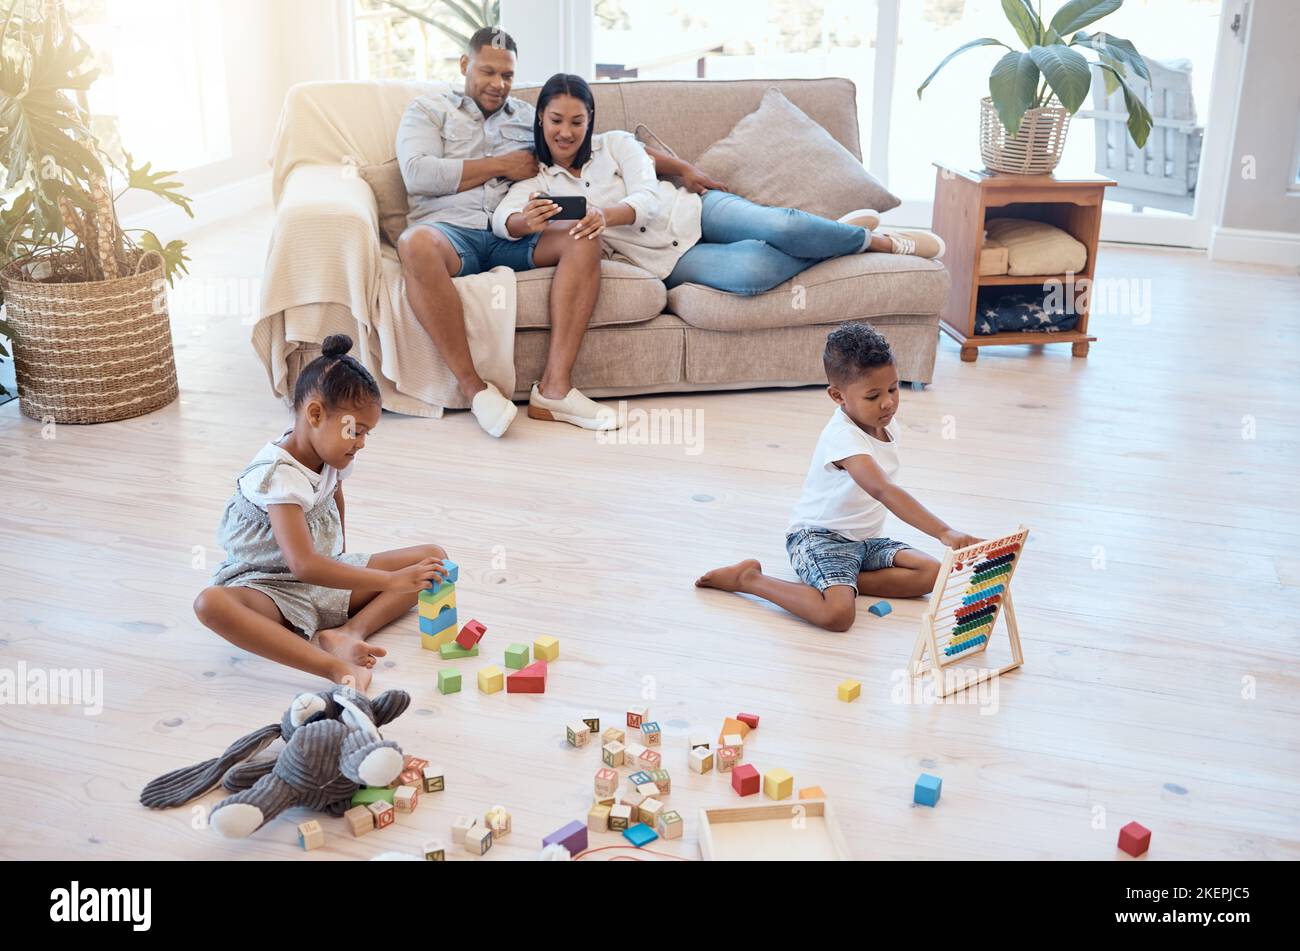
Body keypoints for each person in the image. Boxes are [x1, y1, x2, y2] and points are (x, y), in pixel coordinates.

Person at [395, 30, 722, 434]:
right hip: (450, 233)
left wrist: (681, 167)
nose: (498, 84)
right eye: (488, 71)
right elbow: (418, 175)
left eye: (508, 75)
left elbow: (604, 143)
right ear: (465, 65)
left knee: (583, 231)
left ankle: (553, 391)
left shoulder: (526, 115)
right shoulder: (428, 110)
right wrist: (501, 165)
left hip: (513, 232)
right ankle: (474, 390)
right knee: (414, 243)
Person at [491, 73, 944, 301]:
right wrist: (520, 220)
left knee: (782, 226)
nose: (566, 132)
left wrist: (606, 216)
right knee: (753, 274)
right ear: (540, 120)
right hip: (666, 258)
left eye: (577, 121)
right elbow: (500, 220)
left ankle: (875, 241)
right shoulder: (536, 179)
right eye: (556, 121)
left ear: (590, 122)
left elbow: (648, 197)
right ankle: (837, 236)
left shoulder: (617, 145)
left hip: (692, 211)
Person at [193, 335, 449, 690]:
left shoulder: (333, 455)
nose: (360, 442)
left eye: (366, 434)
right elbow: (303, 566)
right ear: (315, 414)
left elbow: (335, 494)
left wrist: (344, 562)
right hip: (270, 588)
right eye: (355, 431)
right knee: (210, 604)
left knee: (431, 559)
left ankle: (347, 633)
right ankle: (331, 668)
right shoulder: (278, 477)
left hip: (323, 577)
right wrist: (390, 581)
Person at [696, 324, 980, 632]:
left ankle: (839, 581)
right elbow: (882, 490)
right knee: (838, 616)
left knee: (931, 573)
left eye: (893, 389)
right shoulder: (843, 438)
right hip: (819, 540)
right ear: (837, 395)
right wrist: (944, 532)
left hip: (864, 542)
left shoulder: (884, 422)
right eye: (873, 396)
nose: (887, 402)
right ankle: (749, 579)